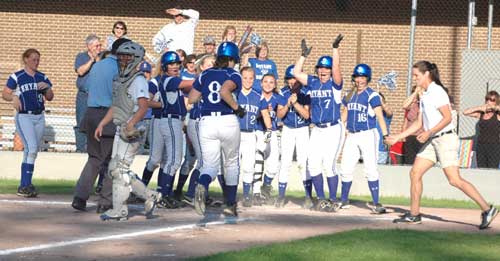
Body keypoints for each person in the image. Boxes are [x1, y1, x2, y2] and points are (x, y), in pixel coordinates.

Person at [387, 61, 498, 229]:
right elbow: (418, 123)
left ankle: (487, 209)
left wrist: (429, 132)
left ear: (426, 74)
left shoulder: (437, 92)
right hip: (433, 140)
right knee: (415, 172)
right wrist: (397, 137)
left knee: (454, 180)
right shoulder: (424, 95)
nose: (414, 78)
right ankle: (414, 214)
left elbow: (447, 118)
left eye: (416, 75)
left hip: (445, 139)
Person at [96, 41, 161, 221]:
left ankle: (120, 210)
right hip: (122, 125)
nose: (123, 59)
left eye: (128, 56)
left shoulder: (138, 79)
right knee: (116, 169)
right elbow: (116, 106)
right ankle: (149, 195)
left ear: (136, 58)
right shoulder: (121, 78)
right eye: (121, 55)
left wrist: (131, 124)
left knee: (118, 168)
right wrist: (103, 123)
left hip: (132, 127)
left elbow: (143, 105)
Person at [72, 38, 131, 213]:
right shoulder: (120, 69)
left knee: (94, 158)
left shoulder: (97, 65)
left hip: (91, 113)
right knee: (111, 160)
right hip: (108, 115)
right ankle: (105, 201)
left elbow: (87, 86)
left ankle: (80, 197)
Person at [188, 42, 246, 217]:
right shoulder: (233, 73)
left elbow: (192, 98)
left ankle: (203, 185)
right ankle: (230, 203)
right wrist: (237, 107)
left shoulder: (205, 74)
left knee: (210, 166)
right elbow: (224, 91)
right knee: (231, 163)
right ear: (233, 59)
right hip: (227, 119)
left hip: (206, 121)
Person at [293, 36, 344, 212]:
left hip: (332, 128)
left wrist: (335, 49)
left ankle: (333, 199)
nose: (323, 71)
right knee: (313, 163)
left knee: (329, 164)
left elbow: (337, 69)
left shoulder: (335, 85)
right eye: (321, 68)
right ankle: (321, 199)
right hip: (317, 129)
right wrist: (303, 56)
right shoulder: (314, 82)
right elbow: (295, 73)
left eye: (326, 68)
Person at [337, 63, 388, 214]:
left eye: (362, 77)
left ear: (368, 78)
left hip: (368, 134)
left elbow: (379, 116)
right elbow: (344, 114)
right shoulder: (350, 94)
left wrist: (385, 135)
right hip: (351, 135)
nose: (359, 80)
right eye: (357, 77)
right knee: (345, 168)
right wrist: (339, 128)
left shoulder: (372, 95)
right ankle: (344, 200)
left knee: (370, 169)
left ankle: (376, 202)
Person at [2, 48, 54, 197]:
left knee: (32, 151)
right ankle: (25, 185)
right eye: (33, 59)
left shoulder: (42, 76)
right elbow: (5, 93)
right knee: (31, 148)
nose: (36, 62)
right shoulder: (17, 76)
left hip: (39, 116)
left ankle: (25, 185)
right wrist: (13, 97)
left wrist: (48, 88)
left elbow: (50, 97)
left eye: (38, 59)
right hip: (24, 116)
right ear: (25, 59)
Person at [156, 51, 194, 208]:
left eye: (177, 64)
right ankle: (164, 195)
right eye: (171, 64)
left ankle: (166, 194)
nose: (175, 66)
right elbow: (189, 84)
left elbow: (190, 92)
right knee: (174, 160)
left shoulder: (175, 80)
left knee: (172, 160)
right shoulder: (167, 80)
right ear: (165, 67)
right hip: (170, 120)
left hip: (175, 121)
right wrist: (206, 77)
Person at [182, 54, 216, 205]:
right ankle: (191, 193)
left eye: (213, 64)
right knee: (203, 160)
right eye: (208, 64)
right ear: (201, 67)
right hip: (196, 121)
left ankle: (201, 193)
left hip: (208, 123)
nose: (211, 67)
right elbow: (190, 101)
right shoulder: (199, 81)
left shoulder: (216, 81)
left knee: (208, 160)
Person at [276, 65, 311, 208]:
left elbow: (306, 115)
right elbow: (279, 115)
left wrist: (295, 103)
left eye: (294, 79)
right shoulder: (283, 92)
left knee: (303, 163)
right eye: (289, 79)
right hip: (288, 129)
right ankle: (281, 196)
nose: (291, 82)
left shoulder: (306, 92)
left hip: (302, 129)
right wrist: (287, 104)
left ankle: (308, 196)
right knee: (285, 162)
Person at [254, 73, 287, 206]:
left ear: (275, 85)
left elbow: (280, 116)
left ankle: (266, 186)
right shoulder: (256, 96)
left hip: (270, 132)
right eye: (265, 81)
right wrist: (262, 111)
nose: (268, 84)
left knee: (273, 164)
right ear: (261, 83)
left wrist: (285, 106)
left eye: (271, 82)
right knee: (258, 159)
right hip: (257, 131)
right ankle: (255, 191)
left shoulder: (278, 98)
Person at [238, 66, 262, 207]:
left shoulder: (258, 96)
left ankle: (247, 195)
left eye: (251, 78)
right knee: (233, 165)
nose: (248, 80)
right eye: (245, 78)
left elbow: (261, 113)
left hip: (250, 134)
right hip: (235, 133)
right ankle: (230, 194)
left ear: (254, 79)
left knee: (249, 165)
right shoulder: (235, 94)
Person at [74, 34, 101, 152]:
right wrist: (92, 60)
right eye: (96, 46)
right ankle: (81, 149)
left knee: (96, 122)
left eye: (100, 45)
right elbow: (80, 71)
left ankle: (94, 149)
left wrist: (99, 59)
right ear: (89, 46)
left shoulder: (103, 57)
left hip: (98, 96)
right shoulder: (81, 57)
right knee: (81, 122)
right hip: (84, 96)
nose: (99, 48)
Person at [463, 90, 500, 169]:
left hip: (494, 147)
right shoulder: (481, 114)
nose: (489, 101)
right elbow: (465, 112)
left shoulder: (497, 115)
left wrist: (495, 107)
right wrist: (480, 108)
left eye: (492, 100)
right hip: (481, 146)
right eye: (487, 99)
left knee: (492, 170)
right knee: (481, 169)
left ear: (496, 102)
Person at [401, 86, 424, 165]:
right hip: (410, 136)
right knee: (409, 162)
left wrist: (421, 95)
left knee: (420, 163)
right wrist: (415, 92)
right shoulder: (413, 105)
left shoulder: (426, 103)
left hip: (422, 137)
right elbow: (404, 106)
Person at [376, 92, 393, 164]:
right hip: (367, 149)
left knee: (380, 171)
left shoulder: (385, 114)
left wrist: (381, 102)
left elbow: (389, 112)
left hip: (381, 150)